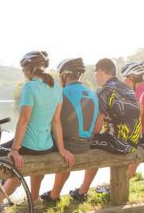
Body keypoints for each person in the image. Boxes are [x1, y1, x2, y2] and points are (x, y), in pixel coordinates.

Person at [0, 51, 74, 204]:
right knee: (17, 163)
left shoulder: (29, 87)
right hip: (47, 146)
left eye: (23, 70)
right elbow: (56, 122)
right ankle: (30, 199)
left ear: (30, 70)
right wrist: (61, 149)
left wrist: (15, 150)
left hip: (28, 146)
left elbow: (24, 121)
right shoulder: (56, 87)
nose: (23, 73)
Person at [69, 58, 141, 202]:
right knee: (97, 141)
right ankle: (83, 190)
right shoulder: (126, 88)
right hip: (133, 142)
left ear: (101, 71)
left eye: (95, 72)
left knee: (79, 143)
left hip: (120, 144)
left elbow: (96, 126)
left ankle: (81, 191)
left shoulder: (105, 91)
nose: (95, 76)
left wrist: (84, 136)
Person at [40, 58, 102, 204]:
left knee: (37, 144)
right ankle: (54, 194)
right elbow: (97, 123)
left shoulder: (61, 93)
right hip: (85, 145)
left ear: (65, 75)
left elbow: (50, 122)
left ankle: (49, 196)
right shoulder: (93, 94)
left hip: (68, 146)